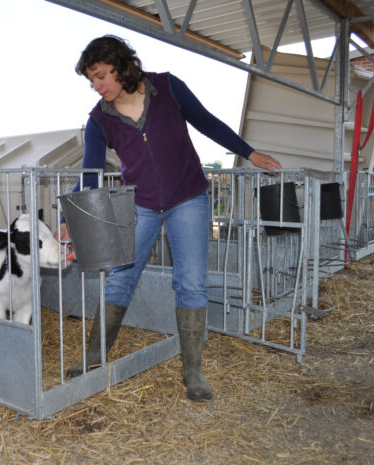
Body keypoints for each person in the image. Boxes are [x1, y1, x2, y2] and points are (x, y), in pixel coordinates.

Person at [60, 35, 282, 402]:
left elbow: (207, 122)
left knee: (192, 283)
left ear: (121, 66)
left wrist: (249, 152)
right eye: (91, 80)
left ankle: (192, 371)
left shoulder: (166, 87)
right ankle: (94, 357)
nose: (97, 86)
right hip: (142, 205)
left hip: (188, 199)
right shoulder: (100, 119)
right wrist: (70, 216)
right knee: (120, 279)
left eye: (101, 76)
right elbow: (90, 171)